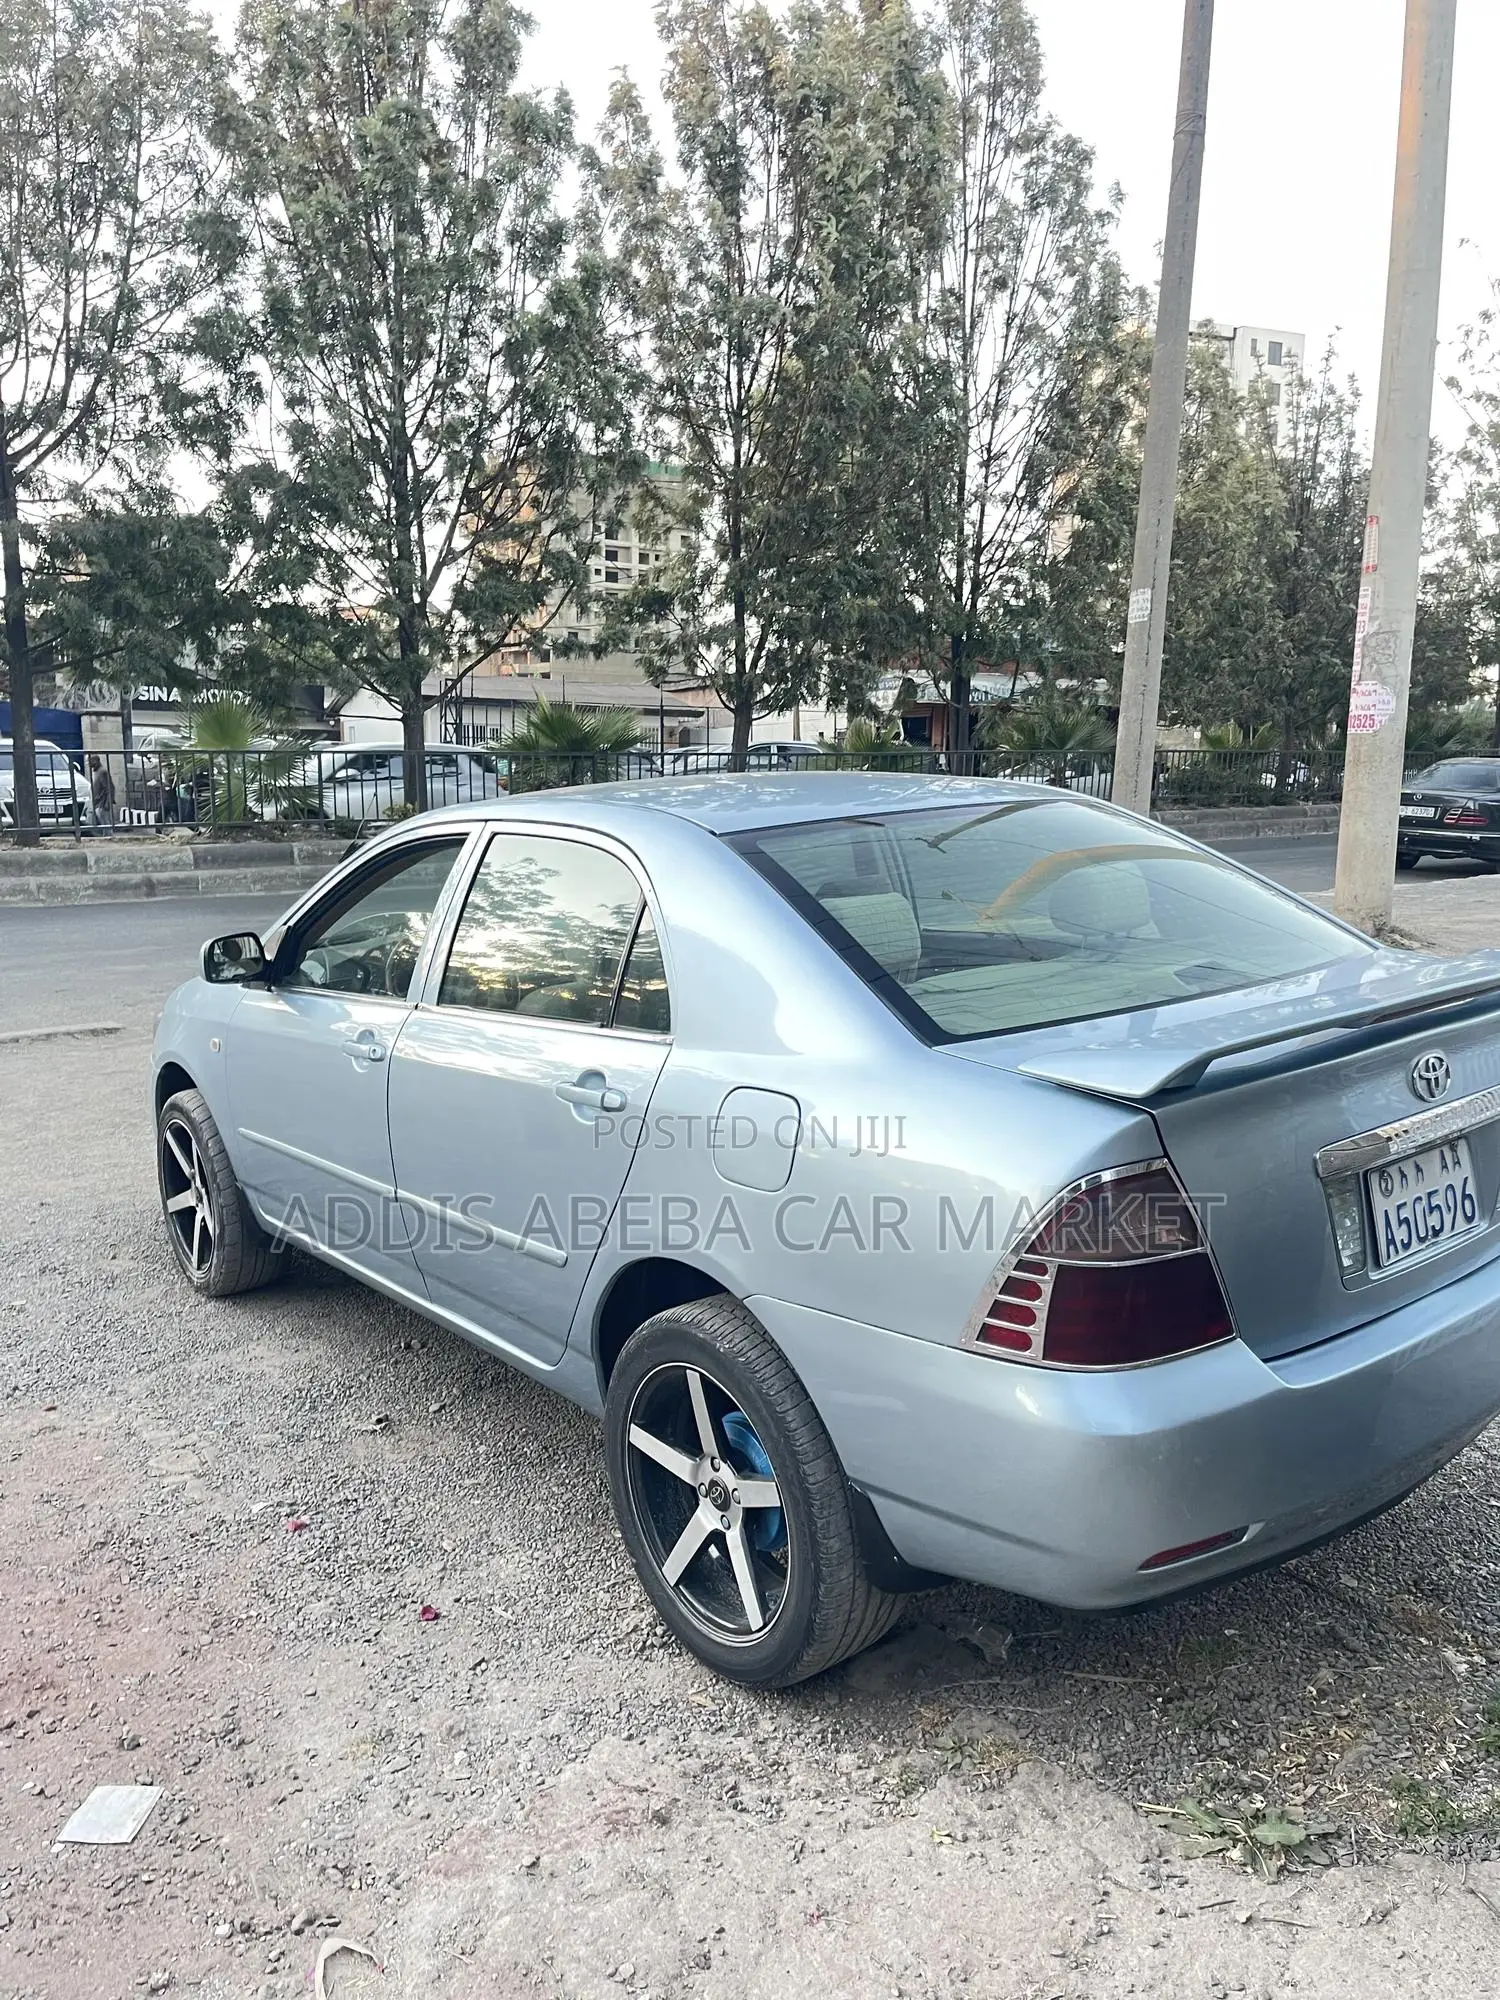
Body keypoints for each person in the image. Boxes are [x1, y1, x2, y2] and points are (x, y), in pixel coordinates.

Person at [87, 753, 116, 834]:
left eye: (90, 761)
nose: (88, 763)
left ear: (95, 761)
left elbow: (110, 788)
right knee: (100, 825)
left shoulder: (102, 772)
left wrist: (108, 802)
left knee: (105, 824)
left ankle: (109, 838)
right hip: (97, 803)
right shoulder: (96, 772)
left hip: (102, 804)